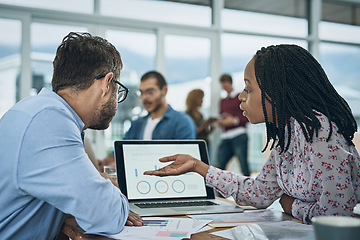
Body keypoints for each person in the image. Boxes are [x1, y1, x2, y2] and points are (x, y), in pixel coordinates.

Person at [144, 44, 360, 224]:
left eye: (248, 88)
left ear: (276, 91)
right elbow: (260, 193)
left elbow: (336, 217)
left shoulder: (320, 132)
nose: (241, 97)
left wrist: (292, 205)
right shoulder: (288, 135)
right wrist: (197, 166)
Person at [0, 32, 143, 240]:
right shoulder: (50, 120)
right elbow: (106, 215)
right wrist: (104, 185)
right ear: (107, 83)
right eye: (118, 90)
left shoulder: (34, 110)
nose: (116, 98)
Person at [125, 70, 196, 140]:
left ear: (164, 91)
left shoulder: (182, 122)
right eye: (141, 93)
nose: (144, 98)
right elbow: (121, 150)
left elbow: (185, 151)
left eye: (150, 92)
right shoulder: (137, 124)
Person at [216, 73, 250, 176]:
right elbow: (221, 115)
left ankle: (249, 191)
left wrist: (234, 121)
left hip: (239, 135)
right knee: (219, 166)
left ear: (230, 83)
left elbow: (248, 116)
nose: (225, 87)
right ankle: (219, 192)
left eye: (226, 84)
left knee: (243, 165)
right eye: (223, 85)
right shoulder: (222, 101)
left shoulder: (239, 97)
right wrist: (221, 122)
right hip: (225, 136)